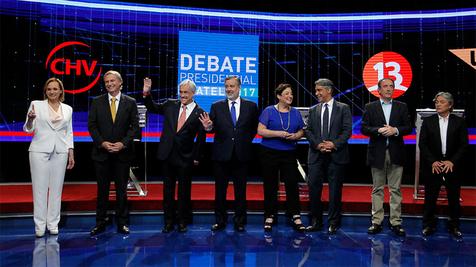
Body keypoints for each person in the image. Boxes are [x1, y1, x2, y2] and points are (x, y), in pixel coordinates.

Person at [143, 78, 206, 233]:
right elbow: (153, 108)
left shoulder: (200, 112)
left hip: (186, 157)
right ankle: (168, 222)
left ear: (193, 93)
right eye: (181, 92)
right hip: (167, 154)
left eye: (186, 92)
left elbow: (201, 138)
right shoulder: (170, 104)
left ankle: (183, 221)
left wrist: (197, 157)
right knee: (168, 191)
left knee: (184, 192)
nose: (183, 95)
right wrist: (147, 94)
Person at [199, 76, 259, 232]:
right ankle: (220, 220)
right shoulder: (216, 106)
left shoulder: (251, 106)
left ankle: (239, 221)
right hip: (221, 155)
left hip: (242, 154)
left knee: (241, 191)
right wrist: (207, 127)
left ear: (239, 88)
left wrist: (243, 142)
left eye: (232, 86)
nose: (228, 89)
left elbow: (253, 128)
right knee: (220, 190)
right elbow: (212, 127)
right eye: (226, 86)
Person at [88, 70, 139, 236]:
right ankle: (100, 222)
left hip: (122, 154)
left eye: (112, 81)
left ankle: (122, 223)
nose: (109, 84)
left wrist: (122, 144)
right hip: (101, 154)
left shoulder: (130, 102)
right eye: (106, 81)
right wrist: (102, 143)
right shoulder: (97, 102)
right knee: (102, 190)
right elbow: (92, 126)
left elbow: (135, 127)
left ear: (120, 83)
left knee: (121, 191)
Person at [24, 77, 75, 237]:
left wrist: (70, 151)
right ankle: (39, 226)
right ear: (45, 91)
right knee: (39, 189)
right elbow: (27, 129)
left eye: (55, 89)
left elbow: (69, 132)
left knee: (56, 190)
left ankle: (53, 224)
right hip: (39, 150)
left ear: (61, 91)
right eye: (49, 89)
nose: (52, 91)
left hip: (60, 151)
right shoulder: (36, 105)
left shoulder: (68, 109)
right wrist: (31, 120)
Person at [361, 78, 411, 237]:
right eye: (385, 86)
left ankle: (396, 222)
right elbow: (364, 128)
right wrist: (379, 130)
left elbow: (408, 127)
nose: (389, 89)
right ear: (379, 90)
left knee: (395, 189)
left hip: (396, 152)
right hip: (377, 152)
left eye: (391, 86)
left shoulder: (402, 107)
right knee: (377, 189)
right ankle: (377, 221)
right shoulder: (370, 107)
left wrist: (395, 130)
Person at [304, 78, 352, 234]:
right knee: (314, 190)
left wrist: (333, 144)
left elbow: (347, 131)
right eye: (316, 90)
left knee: (335, 191)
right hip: (316, 156)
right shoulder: (313, 110)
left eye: (319, 90)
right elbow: (308, 131)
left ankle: (333, 222)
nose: (316, 93)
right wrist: (318, 145)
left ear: (329, 90)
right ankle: (316, 222)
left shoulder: (343, 108)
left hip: (336, 155)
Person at [257, 83, 306, 232]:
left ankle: (295, 215)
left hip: (289, 152)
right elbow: (260, 130)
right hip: (269, 152)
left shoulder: (296, 112)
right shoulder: (269, 111)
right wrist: (279, 134)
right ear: (279, 96)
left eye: (291, 93)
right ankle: (270, 215)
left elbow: (301, 131)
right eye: (286, 94)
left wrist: (296, 136)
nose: (290, 96)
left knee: (292, 184)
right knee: (270, 184)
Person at [419, 92, 468, 238]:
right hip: (433, 164)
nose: (437, 104)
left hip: (452, 164)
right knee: (430, 197)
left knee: (454, 197)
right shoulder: (428, 121)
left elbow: (464, 145)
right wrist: (433, 161)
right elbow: (423, 144)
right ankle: (429, 225)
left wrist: (452, 161)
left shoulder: (459, 122)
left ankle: (454, 226)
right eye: (436, 102)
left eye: (441, 102)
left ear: (450, 105)